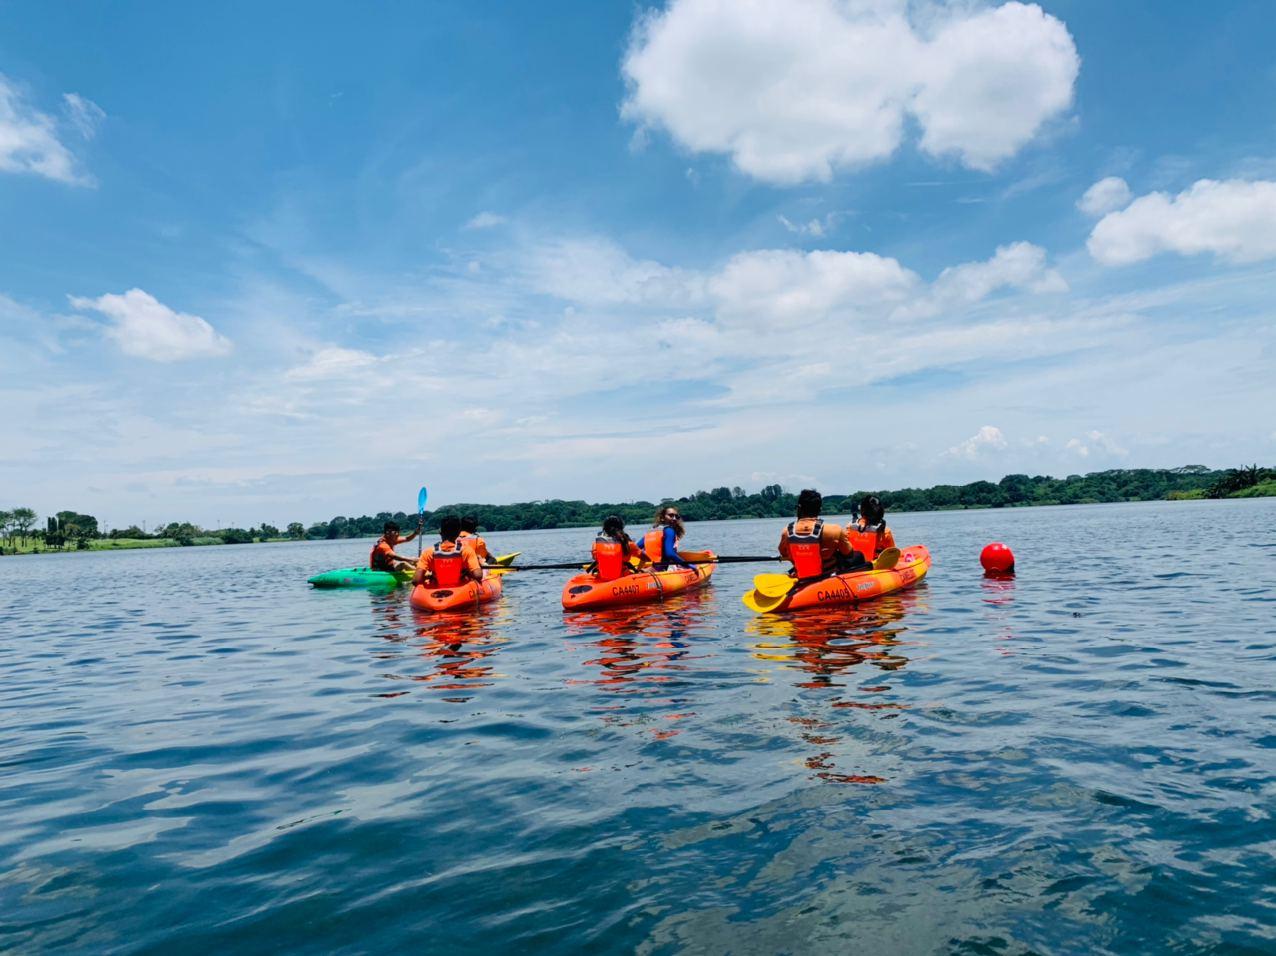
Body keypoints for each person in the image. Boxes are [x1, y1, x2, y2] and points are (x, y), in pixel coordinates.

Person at [778, 488, 865, 580]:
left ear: (799, 508)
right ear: (819, 510)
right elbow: (849, 553)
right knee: (859, 555)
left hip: (802, 576)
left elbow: (784, 553)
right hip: (828, 578)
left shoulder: (787, 532)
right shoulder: (834, 530)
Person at [414, 516, 484, 587]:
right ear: (458, 533)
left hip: (436, 591)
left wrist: (428, 577)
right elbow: (478, 576)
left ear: (440, 532)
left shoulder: (428, 552)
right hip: (460, 590)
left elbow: (416, 580)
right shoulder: (466, 551)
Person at [590, 515, 646, 581]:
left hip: (602, 578)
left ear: (604, 528)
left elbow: (595, 558)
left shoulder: (596, 544)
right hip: (623, 578)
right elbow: (645, 558)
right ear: (621, 527)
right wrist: (638, 570)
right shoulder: (628, 544)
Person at [643, 506, 698, 571]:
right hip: (661, 569)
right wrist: (687, 565)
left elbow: (636, 548)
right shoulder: (669, 530)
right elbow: (670, 554)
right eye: (671, 515)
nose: (674, 518)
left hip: (649, 567)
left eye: (676, 516)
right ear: (662, 518)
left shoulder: (651, 531)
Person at [848, 494, 896, 562]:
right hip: (873, 567)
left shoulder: (850, 526)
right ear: (881, 511)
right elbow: (893, 554)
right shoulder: (885, 531)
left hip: (853, 566)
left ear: (862, 510)